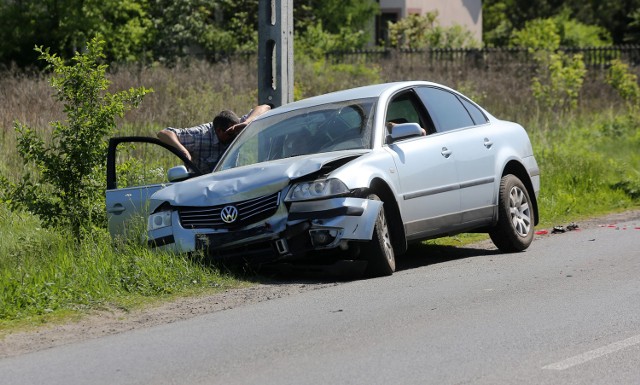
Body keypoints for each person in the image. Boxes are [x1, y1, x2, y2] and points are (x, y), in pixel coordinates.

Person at [157, 104, 271, 173]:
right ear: (218, 131)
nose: (234, 135)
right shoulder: (200, 135)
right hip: (200, 185)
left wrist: (246, 123)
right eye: (229, 133)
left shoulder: (237, 127)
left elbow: (265, 107)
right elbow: (164, 133)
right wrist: (183, 151)